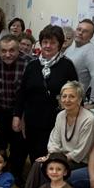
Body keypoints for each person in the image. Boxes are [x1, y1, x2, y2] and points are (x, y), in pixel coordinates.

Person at [22, 81, 94, 188]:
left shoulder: (89, 120)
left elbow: (80, 152)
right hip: (60, 157)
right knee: (37, 164)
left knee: (48, 168)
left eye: (72, 96)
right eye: (64, 96)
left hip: (79, 162)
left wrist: (55, 159)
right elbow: (54, 141)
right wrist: (52, 156)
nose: (67, 100)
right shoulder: (61, 115)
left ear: (79, 99)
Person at [15, 25, 79, 164]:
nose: (48, 46)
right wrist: (17, 116)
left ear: (59, 45)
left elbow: (76, 94)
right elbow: (22, 92)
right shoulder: (32, 65)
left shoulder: (67, 66)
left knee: (50, 157)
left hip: (55, 121)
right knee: (34, 154)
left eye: (53, 42)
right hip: (32, 120)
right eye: (45, 42)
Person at [0, 35, 30, 185]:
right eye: (4, 51)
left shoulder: (28, 63)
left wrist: (23, 117)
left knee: (20, 144)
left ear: (19, 49)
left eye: (12, 50)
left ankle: (16, 174)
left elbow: (30, 94)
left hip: (20, 112)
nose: (8, 54)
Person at [64, 19, 94, 106]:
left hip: (73, 100)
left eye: (85, 31)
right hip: (64, 96)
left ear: (91, 36)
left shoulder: (89, 50)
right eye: (79, 29)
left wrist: (93, 101)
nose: (80, 33)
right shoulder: (72, 46)